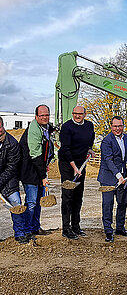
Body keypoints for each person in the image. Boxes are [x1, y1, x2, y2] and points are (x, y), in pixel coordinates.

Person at [58, 105, 95, 239]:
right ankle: (66, 228)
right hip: (67, 164)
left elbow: (90, 140)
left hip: (81, 163)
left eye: (79, 114)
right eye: (74, 113)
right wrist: (74, 168)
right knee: (68, 195)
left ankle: (76, 226)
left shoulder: (89, 126)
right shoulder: (67, 127)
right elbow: (66, 148)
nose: (77, 116)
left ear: (85, 114)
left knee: (78, 195)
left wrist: (89, 149)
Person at [19, 104, 54, 240]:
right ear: (36, 117)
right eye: (42, 115)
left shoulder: (45, 128)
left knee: (38, 201)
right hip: (30, 171)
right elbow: (35, 154)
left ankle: (35, 227)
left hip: (38, 168)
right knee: (31, 202)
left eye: (47, 115)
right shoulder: (34, 129)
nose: (45, 117)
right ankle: (27, 231)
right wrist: (43, 176)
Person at [97, 116, 127, 242]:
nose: (117, 129)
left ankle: (120, 228)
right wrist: (118, 176)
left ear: (123, 126)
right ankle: (108, 231)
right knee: (108, 204)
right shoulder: (107, 141)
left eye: (120, 126)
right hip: (108, 177)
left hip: (123, 177)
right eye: (115, 126)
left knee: (123, 202)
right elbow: (108, 160)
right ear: (111, 126)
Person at [0, 116, 27, 244]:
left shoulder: (11, 143)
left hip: (9, 180)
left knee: (16, 204)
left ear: (3, 126)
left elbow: (12, 167)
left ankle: (20, 234)